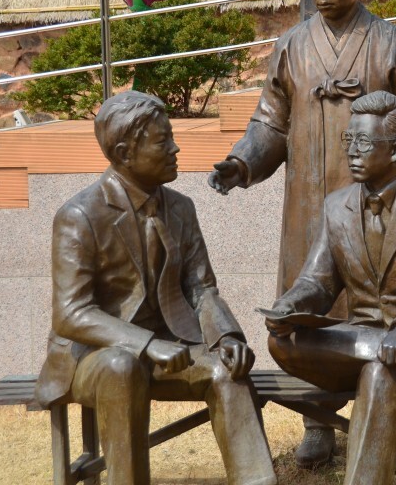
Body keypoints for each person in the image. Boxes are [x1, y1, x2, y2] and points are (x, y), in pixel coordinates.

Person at [209, 0, 396, 465]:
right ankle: (317, 420)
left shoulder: (391, 43)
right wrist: (242, 162)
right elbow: (270, 122)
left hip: (379, 205)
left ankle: (389, 414)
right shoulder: (292, 45)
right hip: (308, 205)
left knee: (381, 303)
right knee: (309, 306)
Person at [35, 91, 276, 485]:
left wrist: (227, 336)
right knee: (122, 367)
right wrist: (146, 344)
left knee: (227, 371)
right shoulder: (79, 216)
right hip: (94, 356)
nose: (175, 149)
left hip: (170, 346)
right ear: (125, 153)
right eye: (163, 141)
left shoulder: (181, 208)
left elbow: (202, 288)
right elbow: (70, 314)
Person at [265, 91, 396, 485]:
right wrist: (290, 305)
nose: (351, 151)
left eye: (363, 142)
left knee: (380, 372)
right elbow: (318, 281)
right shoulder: (336, 207)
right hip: (363, 338)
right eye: (349, 139)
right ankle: (374, 348)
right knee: (282, 341)